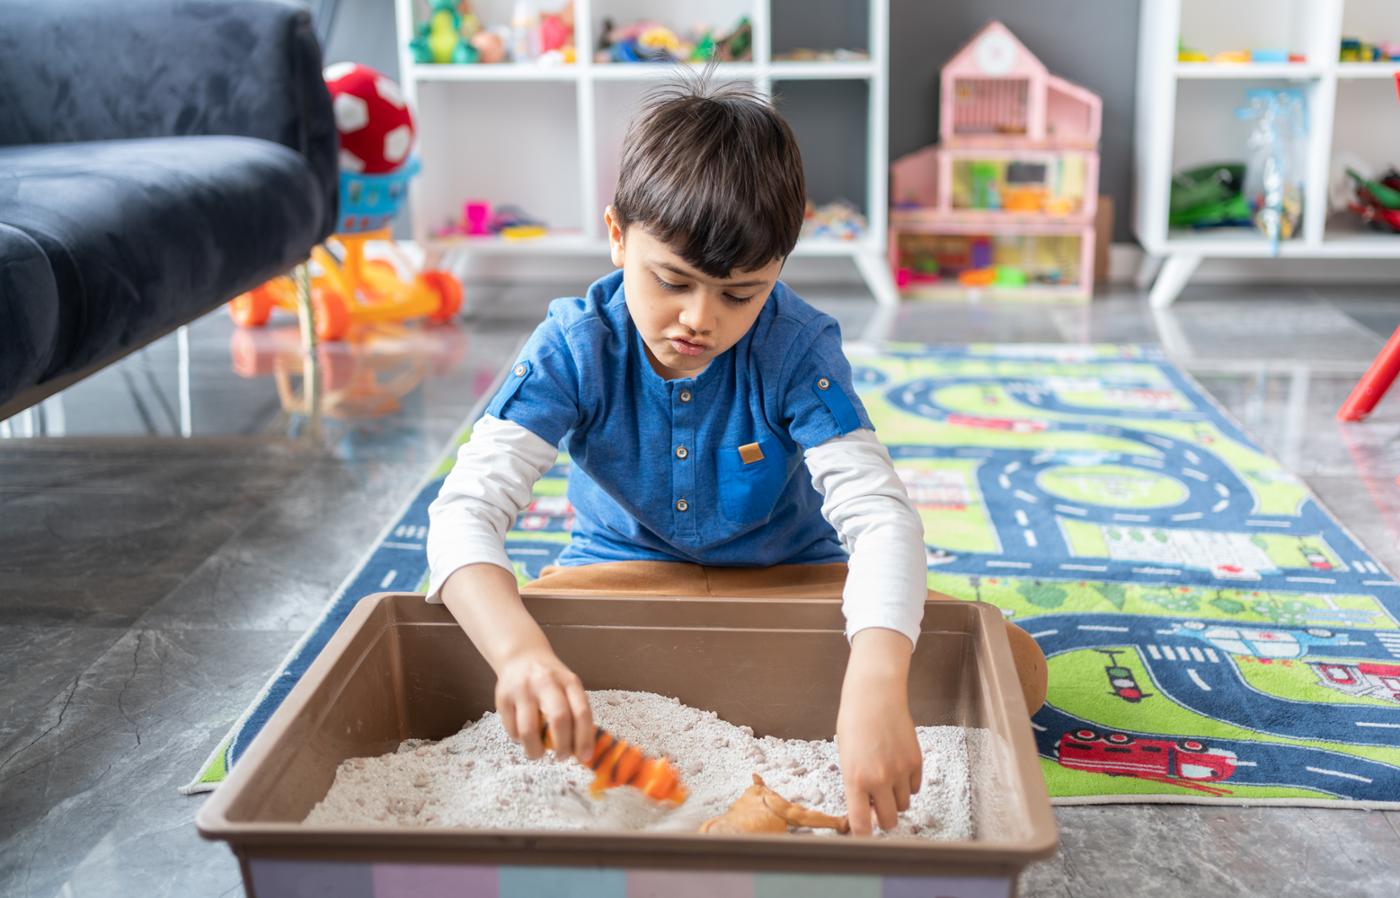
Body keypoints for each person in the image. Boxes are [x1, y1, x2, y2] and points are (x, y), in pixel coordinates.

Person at [427, 74, 1046, 836]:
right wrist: (521, 653)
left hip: (792, 583)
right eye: (672, 282)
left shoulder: (797, 347)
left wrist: (877, 685)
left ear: (780, 268)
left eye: (739, 294)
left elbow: (881, 522)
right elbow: (464, 512)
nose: (698, 319)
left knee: (1007, 664)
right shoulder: (574, 344)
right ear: (618, 235)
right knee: (469, 645)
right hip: (621, 582)